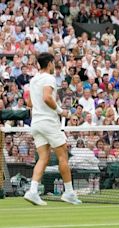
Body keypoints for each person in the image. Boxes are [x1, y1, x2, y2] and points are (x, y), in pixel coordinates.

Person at [24, 53, 82, 206]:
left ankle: (33, 191)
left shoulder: (33, 80)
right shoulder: (49, 78)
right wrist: (61, 111)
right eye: (53, 63)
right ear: (49, 64)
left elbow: (29, 102)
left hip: (36, 123)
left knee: (43, 158)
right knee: (63, 156)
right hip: (48, 122)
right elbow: (47, 97)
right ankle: (69, 192)